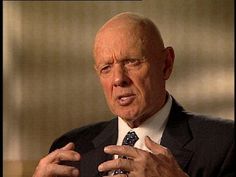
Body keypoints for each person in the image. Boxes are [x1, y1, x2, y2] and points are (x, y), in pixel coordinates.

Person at [33, 12, 234, 177]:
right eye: (106, 68)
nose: (118, 79)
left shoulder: (225, 143)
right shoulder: (71, 151)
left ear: (166, 65)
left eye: (131, 62)